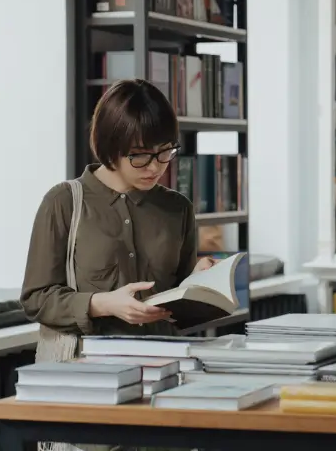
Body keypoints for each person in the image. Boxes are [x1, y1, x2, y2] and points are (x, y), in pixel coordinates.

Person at [21, 79, 214, 451]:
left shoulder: (177, 208)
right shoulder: (64, 202)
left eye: (165, 153)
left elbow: (180, 302)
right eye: (140, 156)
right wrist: (104, 303)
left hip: (160, 383)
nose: (155, 167)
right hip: (85, 386)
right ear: (111, 147)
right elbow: (36, 298)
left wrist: (199, 285)